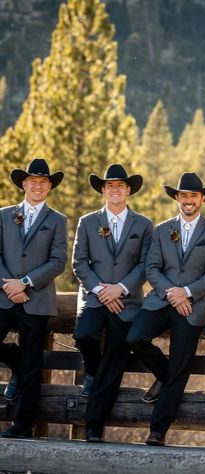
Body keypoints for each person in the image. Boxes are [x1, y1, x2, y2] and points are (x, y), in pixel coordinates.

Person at [127, 172, 205, 446]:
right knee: (135, 338)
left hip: (192, 306)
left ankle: (157, 430)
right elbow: (152, 268)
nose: (188, 200)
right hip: (161, 299)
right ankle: (162, 375)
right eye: (184, 195)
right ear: (177, 198)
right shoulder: (161, 230)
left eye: (194, 195)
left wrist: (187, 293)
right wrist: (173, 292)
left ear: (202, 198)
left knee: (180, 368)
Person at [72, 163, 153, 442]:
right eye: (110, 186)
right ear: (103, 191)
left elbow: (145, 265)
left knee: (114, 364)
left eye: (120, 186)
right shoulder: (88, 222)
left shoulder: (143, 225)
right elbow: (79, 262)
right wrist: (99, 289)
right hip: (95, 299)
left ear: (128, 190)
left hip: (127, 303)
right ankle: (91, 371)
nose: (115, 190)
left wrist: (120, 289)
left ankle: (94, 427)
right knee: (83, 336)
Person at [0, 158, 68, 438]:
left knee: (32, 364)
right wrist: (8, 286)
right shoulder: (4, 215)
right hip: (3, 296)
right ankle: (13, 361)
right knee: (20, 360)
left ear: (49, 186)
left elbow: (58, 261)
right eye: (33, 181)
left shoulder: (57, 220)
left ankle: (22, 424)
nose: (37, 186)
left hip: (36, 299)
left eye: (43, 182)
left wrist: (25, 283)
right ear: (24, 184)